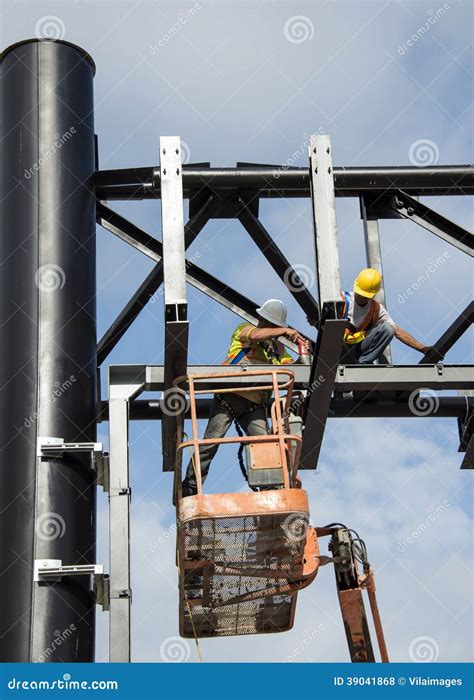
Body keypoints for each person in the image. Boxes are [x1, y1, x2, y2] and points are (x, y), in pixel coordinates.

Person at [181, 299, 307, 497]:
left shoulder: (277, 349)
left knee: (264, 444)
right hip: (229, 397)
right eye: (271, 325)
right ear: (262, 320)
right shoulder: (245, 330)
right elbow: (256, 335)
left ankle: (269, 489)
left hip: (255, 405)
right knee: (210, 442)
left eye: (275, 326)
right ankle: (190, 485)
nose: (272, 329)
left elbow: (291, 367)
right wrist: (283, 332)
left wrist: (303, 356)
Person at [340, 268, 432, 365]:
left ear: (373, 294)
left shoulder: (375, 309)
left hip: (356, 349)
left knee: (388, 328)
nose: (361, 297)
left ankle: (363, 363)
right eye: (360, 293)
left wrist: (423, 349)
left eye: (365, 296)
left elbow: (397, 331)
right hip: (337, 346)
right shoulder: (342, 299)